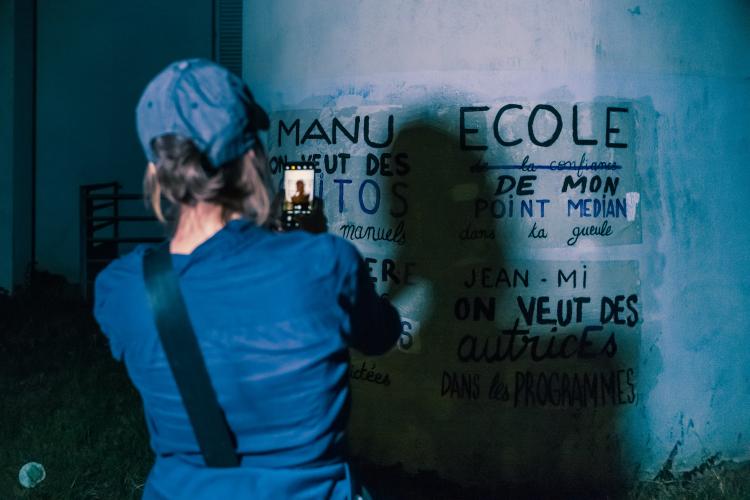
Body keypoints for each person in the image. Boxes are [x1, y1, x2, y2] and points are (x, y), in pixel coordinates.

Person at [93, 59, 401, 499]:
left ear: (156, 172)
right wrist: (304, 245)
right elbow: (380, 334)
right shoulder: (325, 264)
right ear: (253, 158)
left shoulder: (123, 289)